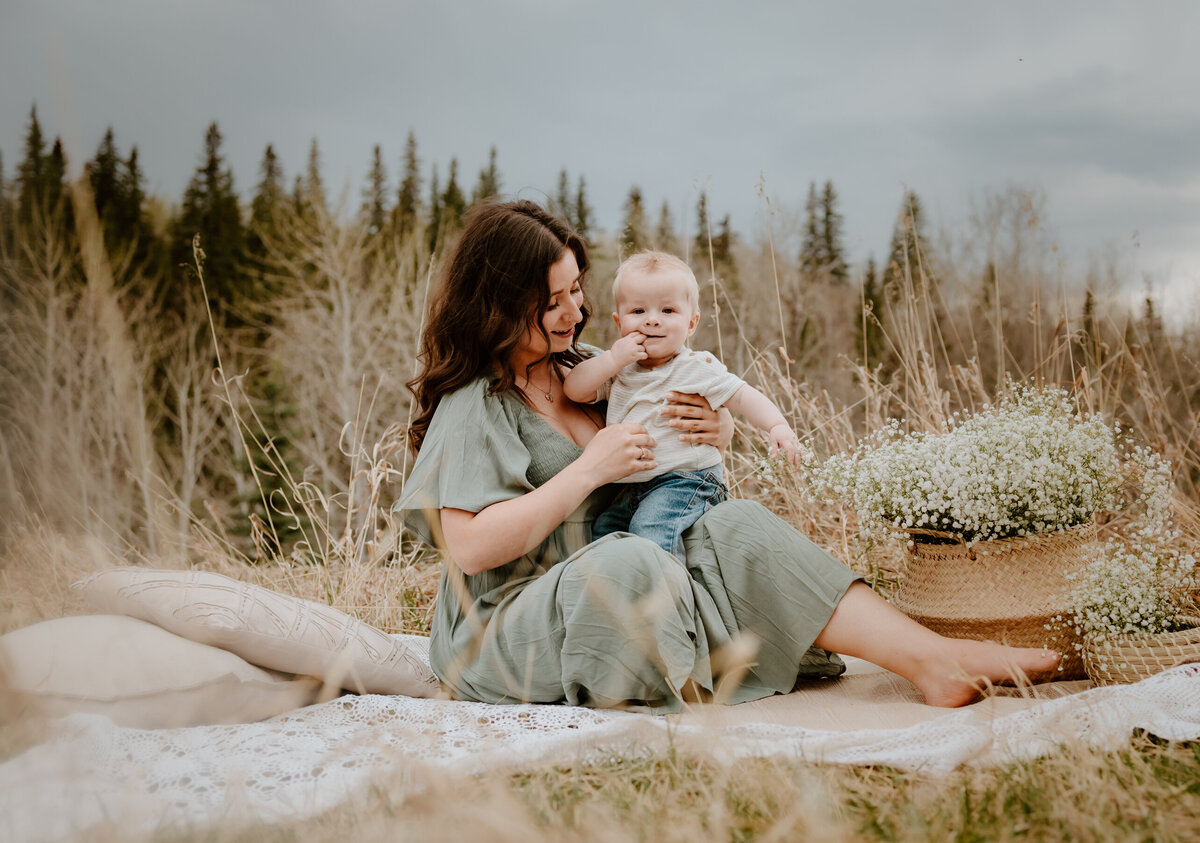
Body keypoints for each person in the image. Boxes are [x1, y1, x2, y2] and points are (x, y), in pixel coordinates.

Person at [392, 199, 1059, 713]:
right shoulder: (476, 403)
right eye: (553, 299)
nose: (577, 309)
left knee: (736, 525)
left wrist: (717, 430)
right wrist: (590, 468)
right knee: (631, 561)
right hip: (511, 623)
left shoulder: (597, 369)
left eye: (576, 289)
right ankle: (697, 673)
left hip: (629, 576)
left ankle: (932, 659)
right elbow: (472, 548)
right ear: (503, 304)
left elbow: (674, 446)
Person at [563, 250, 803, 559]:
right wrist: (611, 358)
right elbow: (575, 390)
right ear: (618, 321)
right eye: (638, 311)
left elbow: (742, 395)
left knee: (652, 536)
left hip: (686, 480)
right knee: (603, 537)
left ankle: (670, 595)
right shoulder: (619, 368)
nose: (652, 319)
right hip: (631, 487)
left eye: (667, 310)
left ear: (691, 323)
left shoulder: (695, 367)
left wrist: (777, 425)